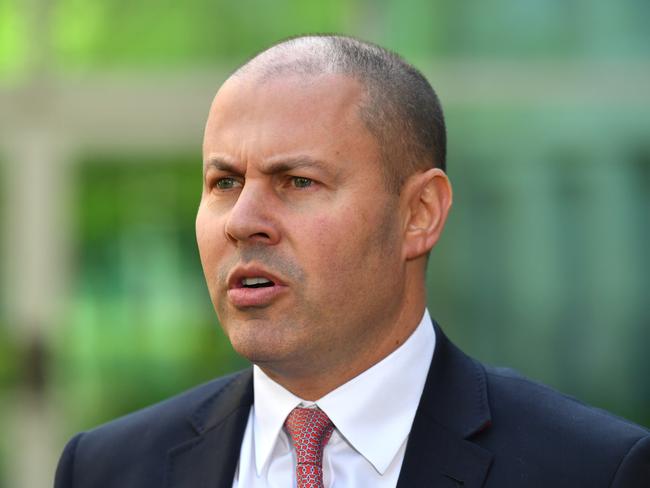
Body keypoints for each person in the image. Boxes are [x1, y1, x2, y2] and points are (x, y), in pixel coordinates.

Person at [55, 35, 649, 488]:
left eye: (297, 181)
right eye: (225, 181)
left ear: (419, 213)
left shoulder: (594, 469)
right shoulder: (107, 468)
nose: (242, 221)